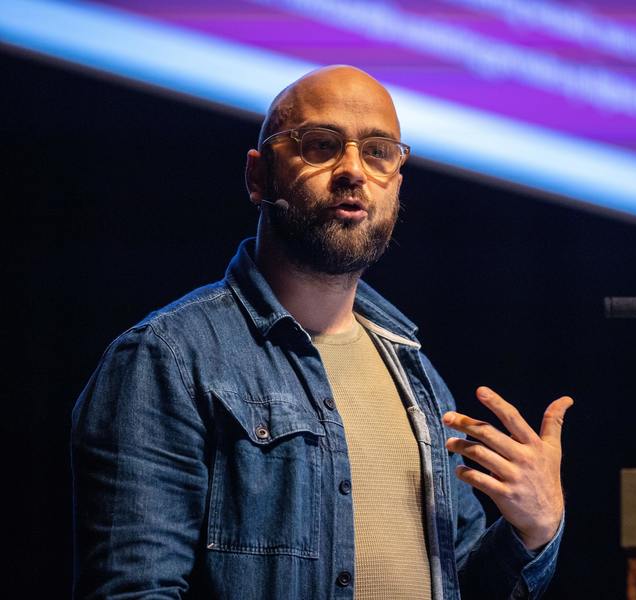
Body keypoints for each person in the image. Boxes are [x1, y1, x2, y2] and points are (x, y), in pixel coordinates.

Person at [72, 65, 573, 599]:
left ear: (396, 184)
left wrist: (533, 529)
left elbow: (459, 586)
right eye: (321, 145)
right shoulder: (167, 359)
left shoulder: (417, 375)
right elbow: (132, 591)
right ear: (258, 176)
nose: (354, 169)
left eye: (378, 151)